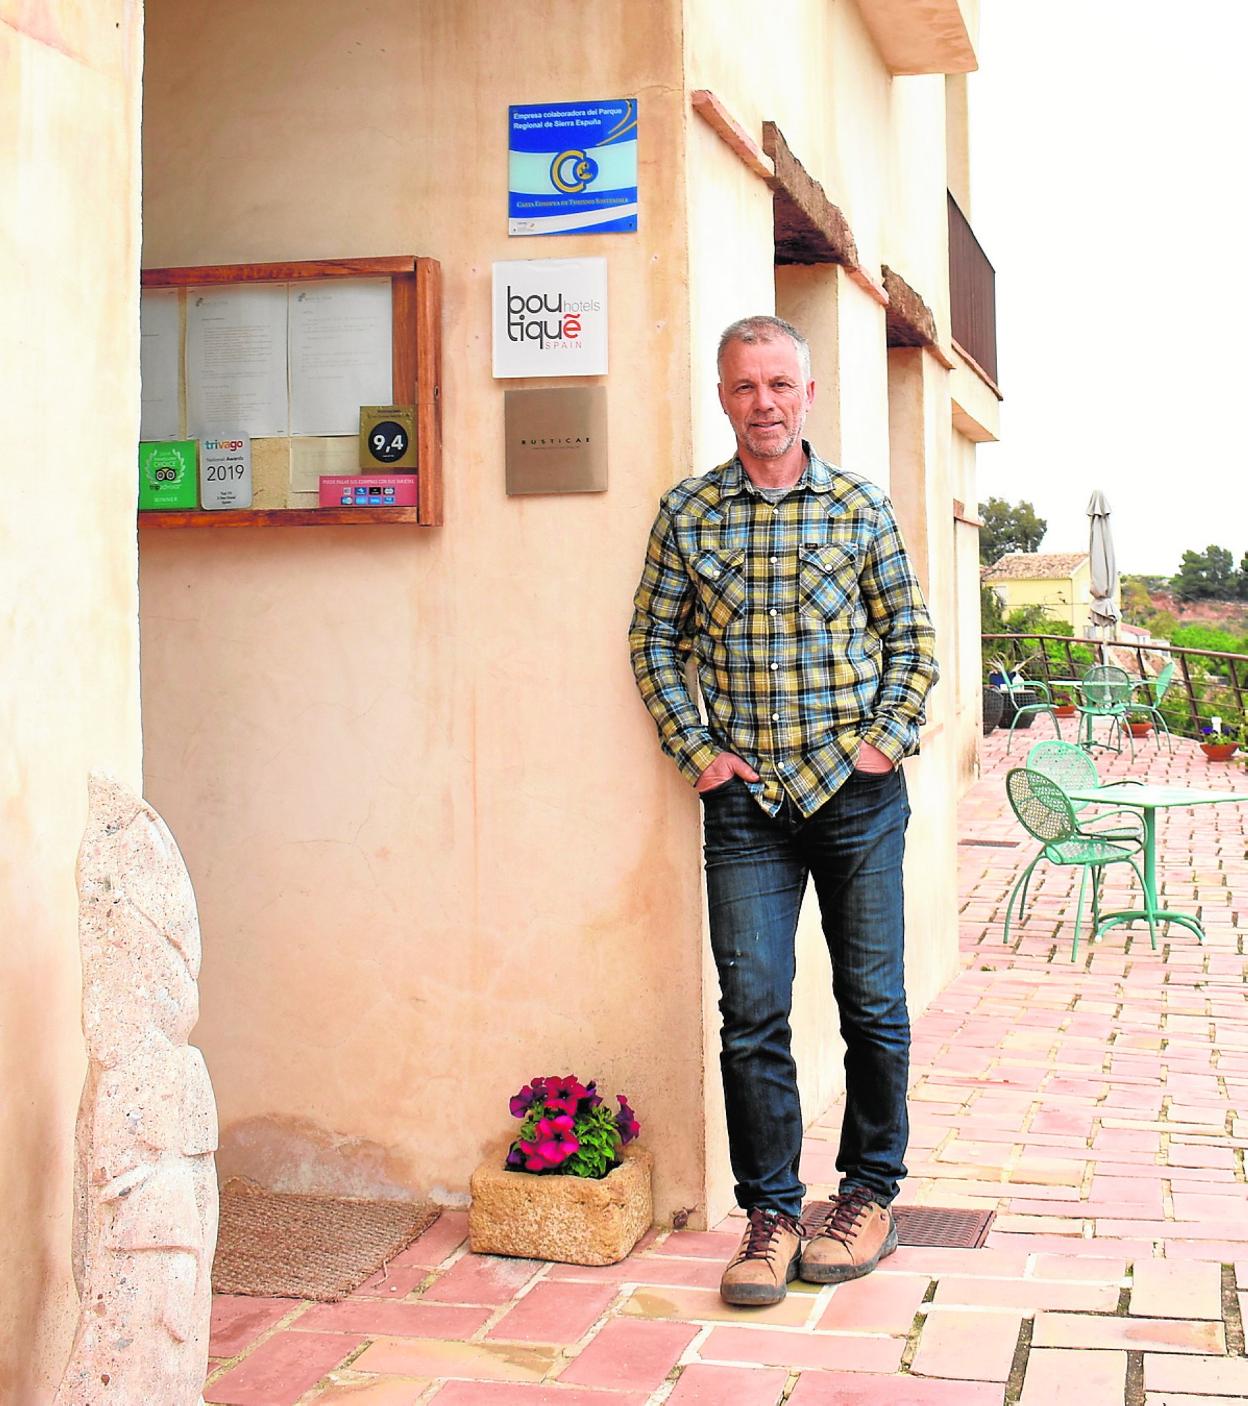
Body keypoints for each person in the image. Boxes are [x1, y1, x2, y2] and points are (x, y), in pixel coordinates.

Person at [628, 315, 938, 1305]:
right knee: (753, 1010)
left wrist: (880, 744)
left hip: (857, 798)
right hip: (748, 806)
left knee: (872, 1002)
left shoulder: (859, 507)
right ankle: (770, 1212)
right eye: (743, 385)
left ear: (806, 394)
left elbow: (915, 644)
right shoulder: (687, 512)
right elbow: (652, 644)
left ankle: (869, 1194)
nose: (763, 401)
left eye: (778, 383)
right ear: (723, 398)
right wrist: (700, 753)